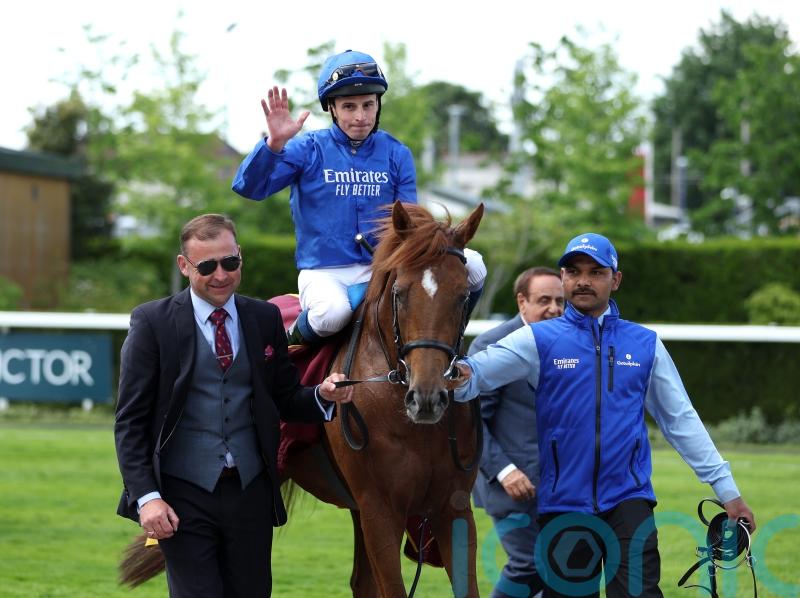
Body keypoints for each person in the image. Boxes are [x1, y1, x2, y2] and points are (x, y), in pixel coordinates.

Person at [454, 233, 756, 598]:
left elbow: (681, 421)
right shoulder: (537, 339)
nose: (583, 280)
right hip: (563, 506)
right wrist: (438, 363)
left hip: (629, 502)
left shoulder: (645, 344)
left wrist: (728, 492)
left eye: (596, 271)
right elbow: (472, 379)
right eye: (574, 271)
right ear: (563, 278)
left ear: (615, 280)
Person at [114, 213, 352, 597]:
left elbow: (286, 398)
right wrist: (147, 498)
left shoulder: (265, 317)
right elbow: (130, 423)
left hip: (251, 492)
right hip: (182, 494)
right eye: (207, 266)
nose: (221, 274)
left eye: (230, 262)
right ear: (184, 266)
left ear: (240, 255)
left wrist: (322, 396)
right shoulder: (152, 322)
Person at [231, 49, 485, 343]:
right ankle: (286, 342)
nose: (361, 116)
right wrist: (274, 144)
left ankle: (447, 342)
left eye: (368, 104)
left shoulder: (396, 153)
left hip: (383, 266)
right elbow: (249, 188)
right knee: (332, 314)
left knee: (475, 265)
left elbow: (409, 223)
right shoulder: (307, 148)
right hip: (325, 272)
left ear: (378, 105)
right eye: (349, 107)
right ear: (332, 109)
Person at [469, 267, 564, 598]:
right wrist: (504, 471)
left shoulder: (568, 341)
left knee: (561, 569)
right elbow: (470, 422)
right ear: (522, 302)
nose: (554, 308)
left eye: (560, 301)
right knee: (530, 565)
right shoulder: (492, 344)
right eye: (544, 300)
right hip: (510, 485)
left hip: (561, 485)